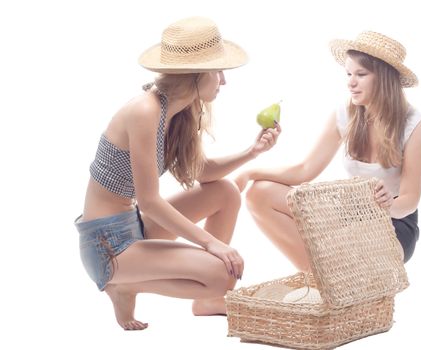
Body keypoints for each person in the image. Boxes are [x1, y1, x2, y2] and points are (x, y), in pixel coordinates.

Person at [75, 17, 281, 330]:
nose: (223, 81)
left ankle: (206, 300)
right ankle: (125, 283)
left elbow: (201, 172)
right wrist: (212, 244)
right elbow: (150, 201)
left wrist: (252, 153)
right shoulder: (145, 111)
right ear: (194, 75)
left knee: (225, 191)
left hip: (135, 227)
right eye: (216, 71)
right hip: (108, 244)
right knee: (224, 274)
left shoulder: (179, 112)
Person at [236, 31, 421, 271]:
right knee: (260, 193)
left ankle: (328, 281)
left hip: (394, 224)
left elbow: (410, 200)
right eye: (348, 74)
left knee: (347, 242)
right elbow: (304, 170)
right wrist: (250, 173)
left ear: (384, 78)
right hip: (350, 214)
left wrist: (390, 203)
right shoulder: (345, 114)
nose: (351, 82)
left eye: (361, 74)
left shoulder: (414, 124)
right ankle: (315, 279)